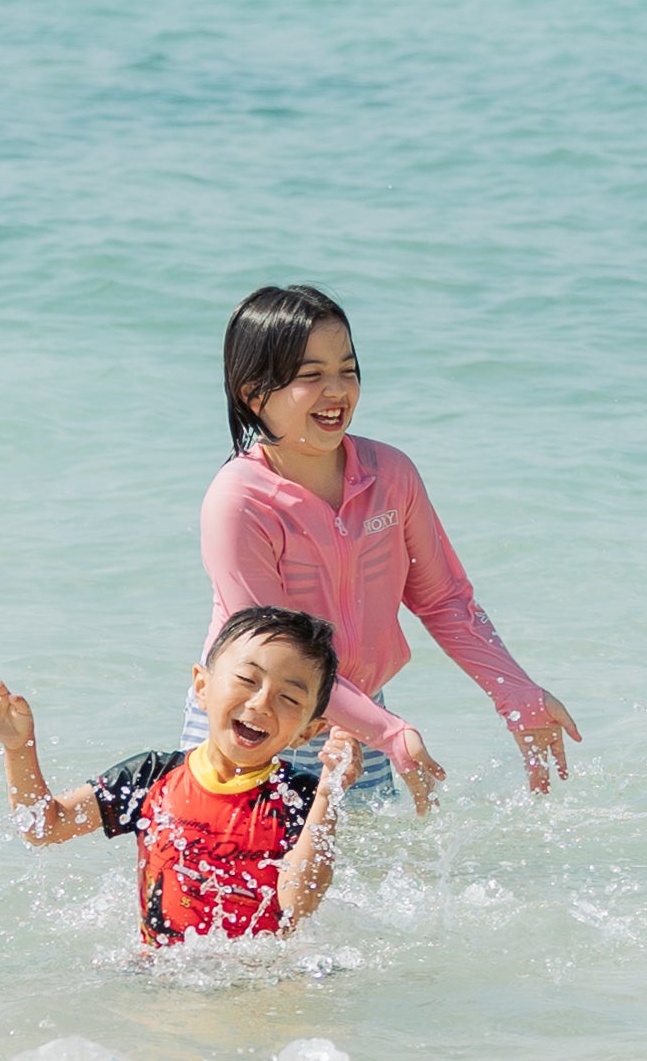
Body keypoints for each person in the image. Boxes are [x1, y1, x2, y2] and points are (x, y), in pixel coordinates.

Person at [193, 285, 578, 816]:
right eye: (311, 376)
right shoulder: (239, 501)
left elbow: (445, 599)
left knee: (361, 887)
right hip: (252, 720)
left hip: (360, 721)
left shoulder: (390, 475)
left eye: (348, 370)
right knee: (239, 889)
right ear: (255, 393)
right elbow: (267, 652)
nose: (337, 391)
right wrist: (392, 734)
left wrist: (515, 693)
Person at [0, 609, 363, 947]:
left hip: (259, 978)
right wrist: (19, 748)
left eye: (289, 698)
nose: (260, 703)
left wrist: (329, 795)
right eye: (247, 680)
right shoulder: (152, 776)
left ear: (307, 733)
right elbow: (45, 827)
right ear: (202, 687)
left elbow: (298, 903)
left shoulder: (300, 797)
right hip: (160, 972)